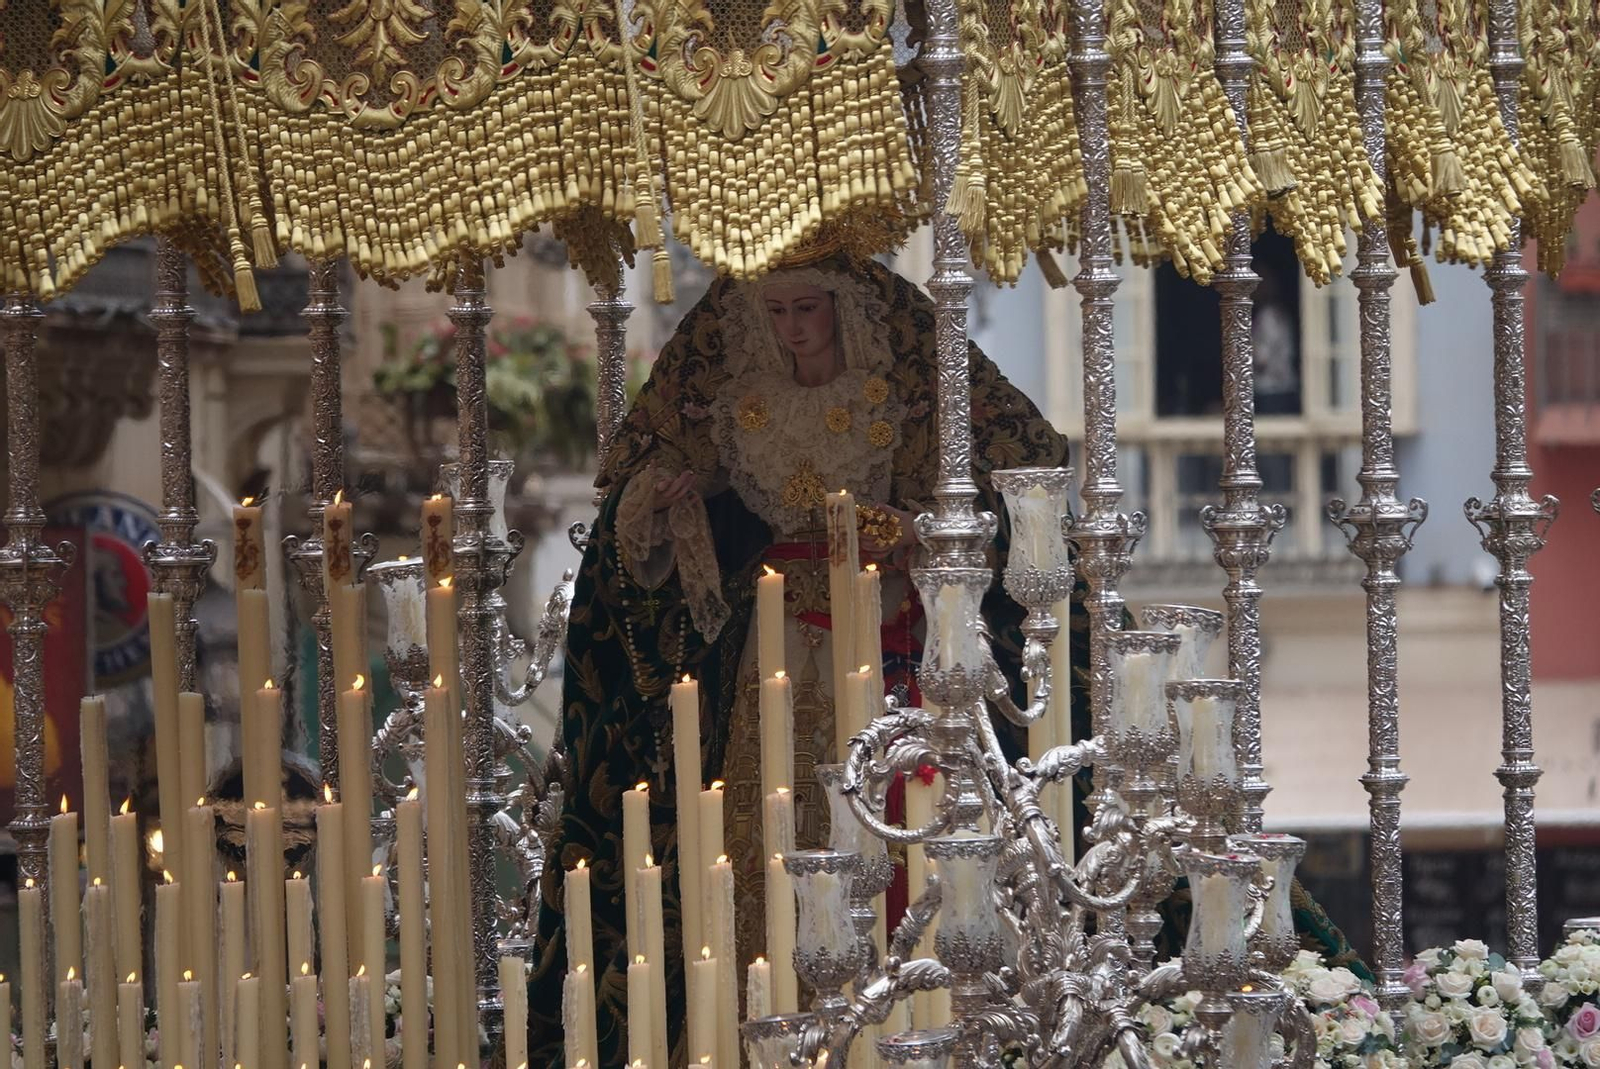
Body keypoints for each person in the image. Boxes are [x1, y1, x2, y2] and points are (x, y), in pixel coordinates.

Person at [526, 248, 1365, 1067]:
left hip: (892, 638)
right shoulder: (734, 397)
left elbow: (999, 468)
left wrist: (912, 537)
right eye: (775, 313)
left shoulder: (902, 379)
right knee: (768, 830)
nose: (793, 330)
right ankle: (768, 1022)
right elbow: (655, 495)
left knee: (908, 823)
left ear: (844, 308)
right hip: (771, 650)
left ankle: (922, 1020)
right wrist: (662, 502)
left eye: (807, 309)